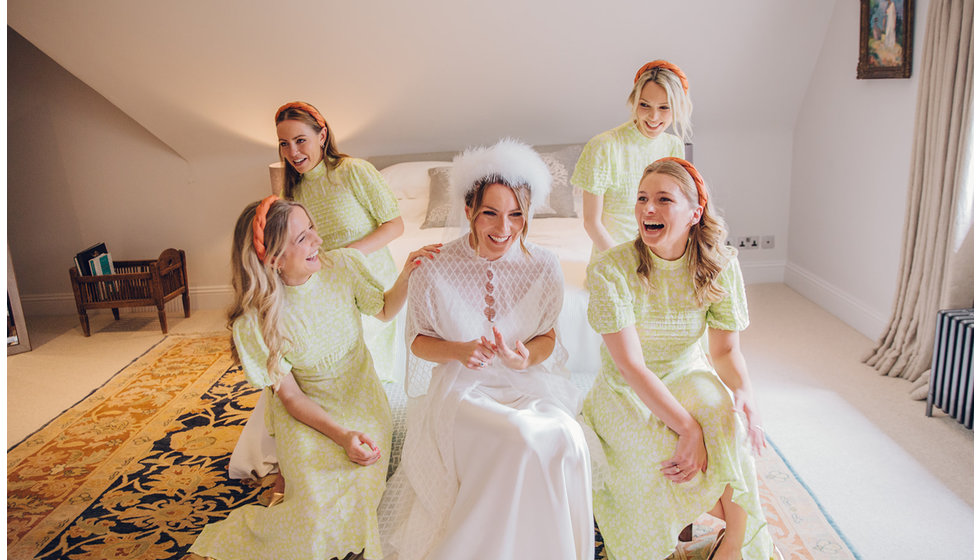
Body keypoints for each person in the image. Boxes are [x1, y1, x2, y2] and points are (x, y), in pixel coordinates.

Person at [188, 196, 437, 560]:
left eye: (312, 229)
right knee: (315, 511)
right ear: (273, 258)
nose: (317, 241)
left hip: (360, 396)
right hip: (305, 412)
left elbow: (383, 309)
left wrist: (408, 273)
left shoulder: (343, 266)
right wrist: (342, 435)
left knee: (360, 484)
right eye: (302, 238)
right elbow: (289, 398)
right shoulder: (255, 322)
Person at [379, 139, 593, 560]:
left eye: (516, 214)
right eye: (490, 213)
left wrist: (524, 358)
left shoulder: (544, 266)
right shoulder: (433, 266)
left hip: (527, 384)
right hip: (462, 392)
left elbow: (548, 337)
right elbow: (418, 342)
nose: (504, 227)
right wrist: (458, 351)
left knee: (568, 437)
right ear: (468, 212)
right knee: (521, 437)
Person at [583, 158, 781, 560]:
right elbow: (630, 366)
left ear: (694, 214)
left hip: (685, 371)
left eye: (662, 199)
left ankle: (732, 548)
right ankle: (657, 547)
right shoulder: (610, 269)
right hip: (626, 388)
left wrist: (744, 391)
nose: (647, 209)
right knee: (655, 450)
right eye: (641, 199)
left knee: (729, 424)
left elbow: (724, 351)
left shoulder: (720, 265)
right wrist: (688, 429)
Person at [228, 101, 404, 488]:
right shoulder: (292, 187)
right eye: (284, 144)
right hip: (314, 282)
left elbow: (395, 225)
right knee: (301, 361)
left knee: (359, 362)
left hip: (359, 274)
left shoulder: (354, 172)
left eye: (301, 140)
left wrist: (341, 260)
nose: (293, 152)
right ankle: (300, 453)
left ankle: (359, 434)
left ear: (323, 135)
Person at [572, 60, 693, 258]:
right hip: (613, 258)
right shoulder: (604, 146)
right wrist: (625, 264)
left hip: (658, 257)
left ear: (678, 108)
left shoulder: (673, 146)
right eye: (645, 105)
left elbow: (676, 212)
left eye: (664, 108)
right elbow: (591, 223)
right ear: (634, 101)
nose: (653, 117)